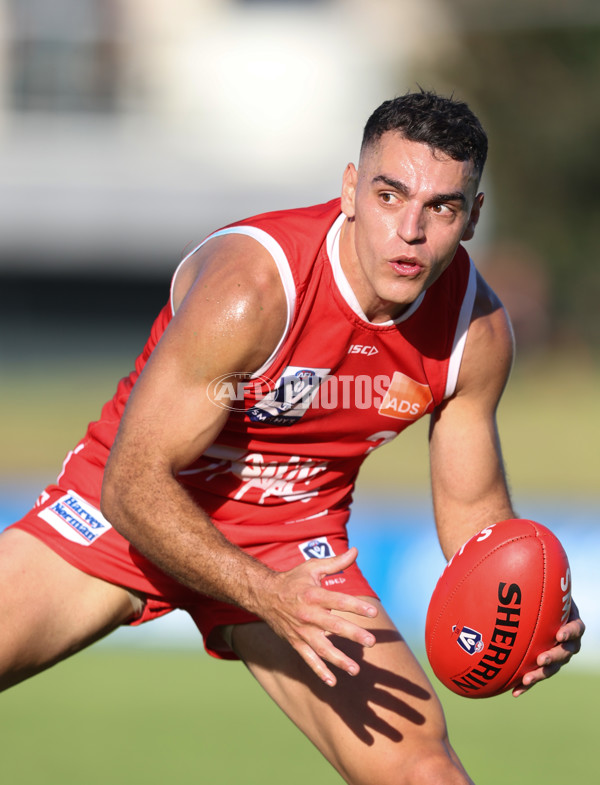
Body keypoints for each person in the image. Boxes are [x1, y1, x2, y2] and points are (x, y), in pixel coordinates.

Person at [0, 90, 584, 784]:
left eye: (442, 208)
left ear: (474, 217)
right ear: (350, 190)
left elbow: (476, 517)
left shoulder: (475, 332)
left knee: (427, 774)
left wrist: (529, 605)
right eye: (390, 196)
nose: (410, 232)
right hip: (125, 513)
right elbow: (132, 482)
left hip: (292, 541)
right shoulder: (253, 286)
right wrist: (267, 594)